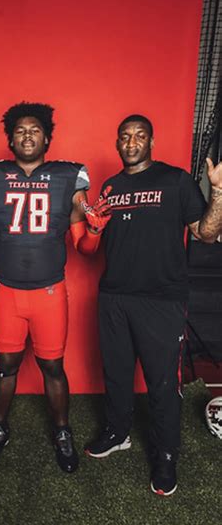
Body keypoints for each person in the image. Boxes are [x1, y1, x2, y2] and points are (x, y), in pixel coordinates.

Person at [0, 102, 110, 471]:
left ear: (47, 137)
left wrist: (95, 229)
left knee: (53, 366)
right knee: (6, 364)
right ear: (10, 139)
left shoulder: (69, 177)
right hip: (6, 292)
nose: (27, 135)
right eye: (20, 131)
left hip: (50, 293)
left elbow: (84, 247)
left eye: (34, 130)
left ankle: (62, 430)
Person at [84, 114, 222, 496]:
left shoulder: (175, 179)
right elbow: (96, 240)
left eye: (139, 136)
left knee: (162, 384)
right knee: (115, 373)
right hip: (113, 296)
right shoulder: (110, 186)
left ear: (151, 141)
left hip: (161, 301)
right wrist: (91, 226)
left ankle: (165, 455)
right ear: (117, 143)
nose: (131, 142)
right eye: (124, 136)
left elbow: (206, 234)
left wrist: (220, 192)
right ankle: (117, 432)